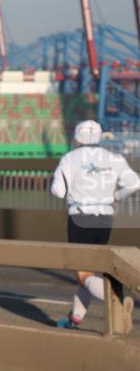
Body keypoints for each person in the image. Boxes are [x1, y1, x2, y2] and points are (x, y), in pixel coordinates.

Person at [51, 120, 139, 331]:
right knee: (87, 273)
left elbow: (58, 191)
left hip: (80, 219)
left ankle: (119, 304)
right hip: (105, 220)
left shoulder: (70, 158)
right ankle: (74, 321)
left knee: (84, 273)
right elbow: (135, 183)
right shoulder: (113, 158)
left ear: (77, 138)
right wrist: (116, 196)